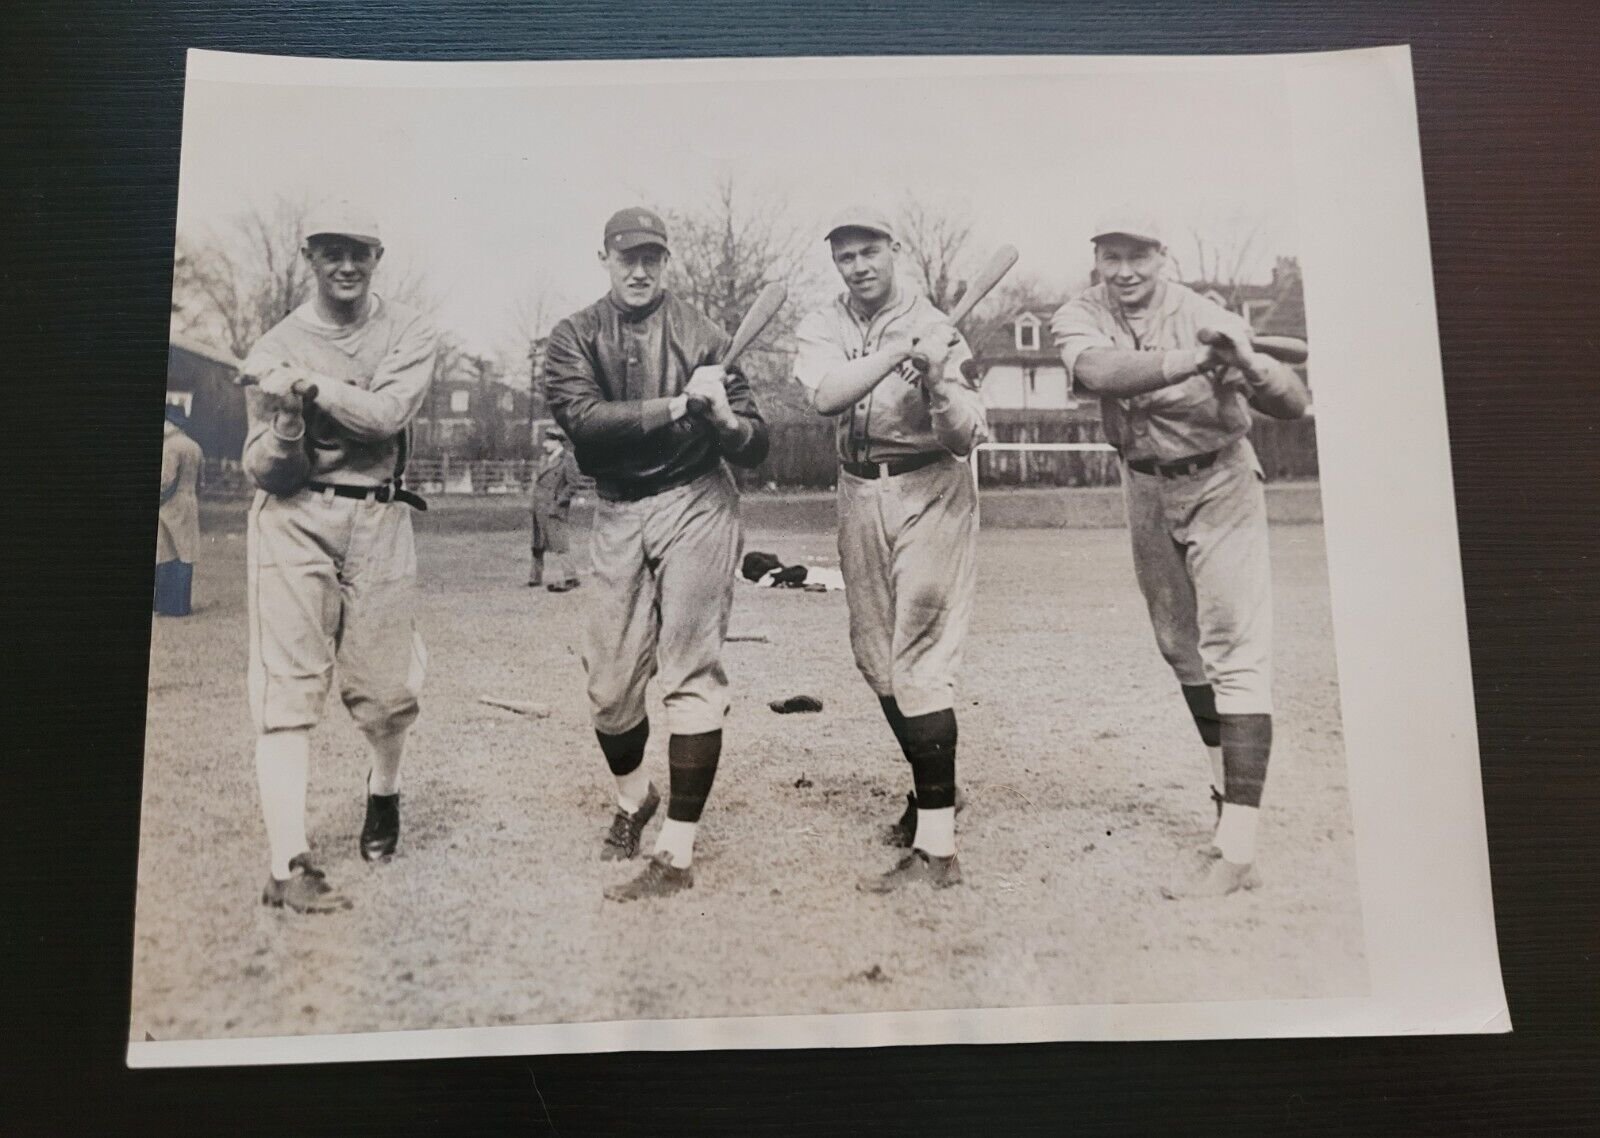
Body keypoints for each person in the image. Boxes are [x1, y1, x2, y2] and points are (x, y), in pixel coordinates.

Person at [1049, 215, 1311, 898]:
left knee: (1235, 651)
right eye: (1112, 256)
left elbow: (1294, 401)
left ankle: (1239, 849)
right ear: (1097, 261)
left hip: (1220, 480)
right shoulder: (1079, 313)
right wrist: (1194, 360)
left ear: (1162, 257)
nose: (1126, 270)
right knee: (1180, 648)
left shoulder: (1203, 312)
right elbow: (1099, 370)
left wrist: (1247, 362)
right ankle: (1228, 800)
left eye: (1138, 255)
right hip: (1142, 484)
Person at [543, 206, 769, 902]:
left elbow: (759, 447)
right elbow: (586, 426)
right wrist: (679, 404)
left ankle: (676, 850)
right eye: (626, 257)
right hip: (615, 507)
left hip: (696, 499)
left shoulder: (705, 333)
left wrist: (726, 419)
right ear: (605, 258)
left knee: (690, 671)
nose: (639, 270)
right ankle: (634, 797)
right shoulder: (573, 335)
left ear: (667, 262)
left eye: (652, 258)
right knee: (609, 691)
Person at [238, 201, 437, 914]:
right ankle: (286, 863)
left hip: (380, 514)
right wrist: (287, 424)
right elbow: (265, 470)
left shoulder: (410, 330)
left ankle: (383, 793)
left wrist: (308, 384)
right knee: (288, 691)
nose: (346, 265)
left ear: (377, 256)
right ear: (310, 257)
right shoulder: (277, 341)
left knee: (387, 696)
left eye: (359, 251)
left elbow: (385, 415)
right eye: (331, 251)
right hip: (294, 520)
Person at [792, 207, 988, 893]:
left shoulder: (940, 325)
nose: (859, 266)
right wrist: (895, 352)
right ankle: (937, 791)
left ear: (893, 250)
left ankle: (937, 848)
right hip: (857, 491)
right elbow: (824, 395)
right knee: (876, 659)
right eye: (845, 256)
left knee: (921, 655)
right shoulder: (824, 325)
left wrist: (935, 378)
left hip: (930, 485)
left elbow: (965, 436)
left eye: (869, 250)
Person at [154, 406, 203, 616]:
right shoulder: (195, 447)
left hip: (170, 505)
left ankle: (168, 605)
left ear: (170, 424)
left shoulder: (170, 447)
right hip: (190, 501)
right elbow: (201, 482)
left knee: (167, 552)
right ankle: (182, 605)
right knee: (185, 553)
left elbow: (166, 481)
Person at [528, 426, 583, 592]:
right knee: (537, 544)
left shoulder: (568, 459)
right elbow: (537, 483)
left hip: (553, 507)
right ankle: (535, 577)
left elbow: (573, 484)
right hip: (539, 506)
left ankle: (571, 576)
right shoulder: (544, 459)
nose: (545, 444)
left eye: (548, 441)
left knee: (559, 543)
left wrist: (559, 501)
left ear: (557, 442)